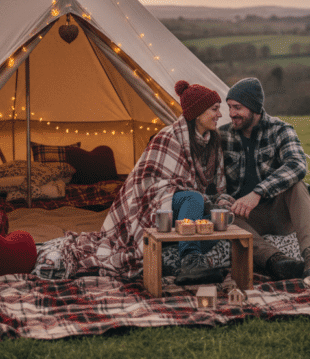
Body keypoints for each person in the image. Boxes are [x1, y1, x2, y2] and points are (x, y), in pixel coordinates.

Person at [61, 80, 232, 285]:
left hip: (186, 206)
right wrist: (197, 196)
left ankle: (172, 256)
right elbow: (146, 182)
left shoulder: (212, 142)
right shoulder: (168, 137)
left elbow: (216, 185)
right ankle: (191, 261)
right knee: (193, 199)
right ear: (198, 112)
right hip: (157, 203)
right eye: (214, 109)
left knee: (217, 221)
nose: (220, 115)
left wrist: (220, 201)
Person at [219, 77, 310, 279]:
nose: (232, 113)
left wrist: (258, 192)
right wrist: (228, 201)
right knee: (221, 213)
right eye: (230, 107)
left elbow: (297, 164)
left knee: (297, 185)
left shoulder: (281, 130)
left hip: (280, 214)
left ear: (254, 108)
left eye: (237, 107)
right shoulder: (223, 136)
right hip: (246, 218)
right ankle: (277, 261)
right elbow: (213, 181)